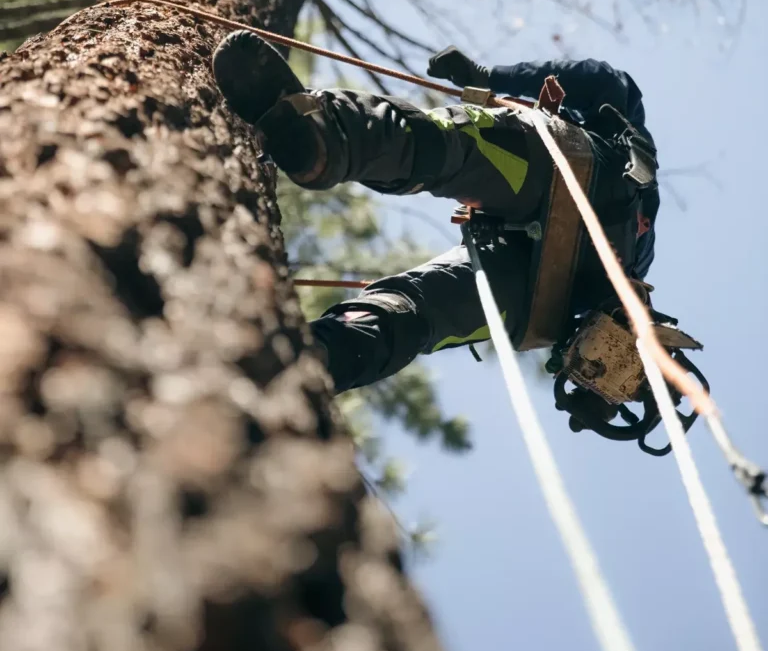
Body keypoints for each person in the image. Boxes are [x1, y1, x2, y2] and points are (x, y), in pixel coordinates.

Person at [212, 33, 659, 395]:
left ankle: (328, 133)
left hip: (575, 172)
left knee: (452, 148)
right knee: (419, 312)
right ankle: (312, 361)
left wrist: (488, 76)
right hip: (549, 297)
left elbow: (606, 80)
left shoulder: (623, 130)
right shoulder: (636, 261)